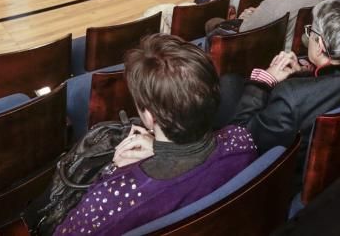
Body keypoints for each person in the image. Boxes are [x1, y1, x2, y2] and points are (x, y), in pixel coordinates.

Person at [55, 35, 257, 236]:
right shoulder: (241, 141)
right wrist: (161, 152)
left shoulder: (115, 196)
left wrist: (112, 170)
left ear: (150, 116)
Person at [219, 0, 340, 165]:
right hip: (339, 157)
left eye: (311, 31)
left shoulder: (290, 97)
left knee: (228, 84)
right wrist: (303, 75)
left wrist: (264, 81)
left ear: (320, 45)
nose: (308, 35)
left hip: (287, 173)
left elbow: (241, 140)